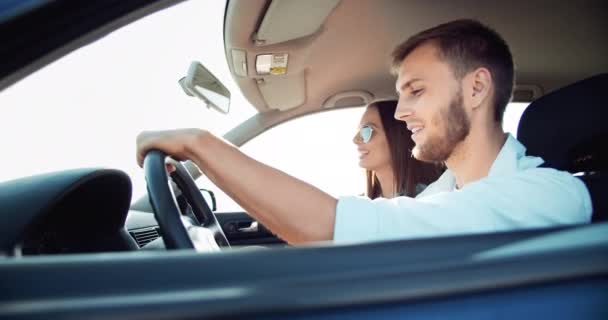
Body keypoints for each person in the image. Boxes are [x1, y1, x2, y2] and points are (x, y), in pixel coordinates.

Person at [136, 19, 591, 245]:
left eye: (416, 90)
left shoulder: (544, 194)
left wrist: (200, 144)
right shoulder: (443, 194)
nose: (402, 112)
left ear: (476, 88)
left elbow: (330, 225)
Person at [354, 100, 441, 199]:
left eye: (366, 131)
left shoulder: (427, 199)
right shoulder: (364, 204)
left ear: (396, 137)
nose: (355, 140)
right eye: (359, 131)